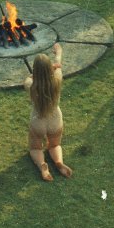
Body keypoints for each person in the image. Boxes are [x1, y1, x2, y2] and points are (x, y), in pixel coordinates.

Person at [24, 43, 72, 181]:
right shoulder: (57, 78)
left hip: (38, 121)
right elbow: (58, 64)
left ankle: (42, 165)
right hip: (55, 119)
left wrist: (36, 74)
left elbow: (29, 77)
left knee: (35, 147)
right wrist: (58, 52)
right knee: (55, 144)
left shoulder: (30, 85)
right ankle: (59, 162)